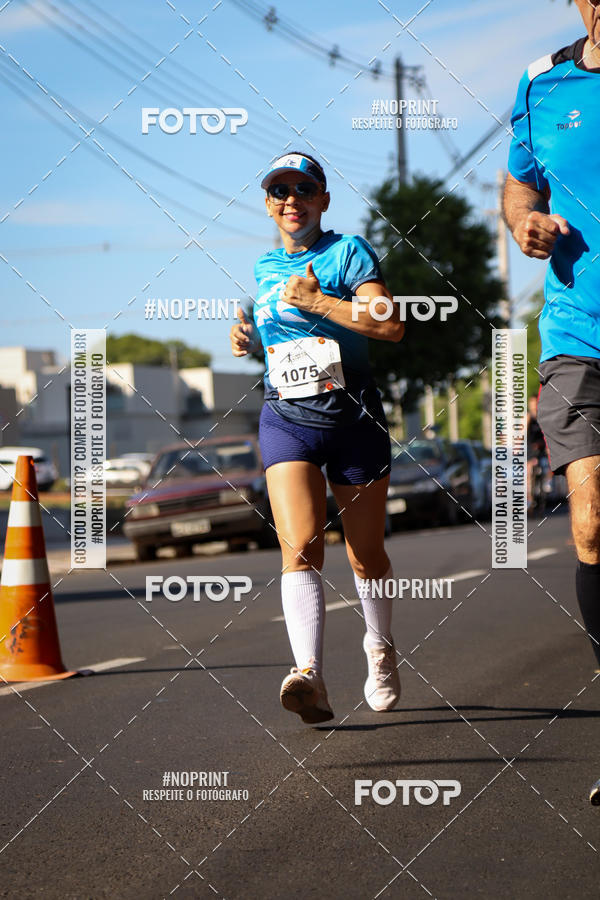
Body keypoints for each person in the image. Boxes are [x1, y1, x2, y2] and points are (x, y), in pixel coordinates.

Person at [230, 151, 404, 723]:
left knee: (366, 554)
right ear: (268, 204)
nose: (291, 200)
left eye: (303, 189)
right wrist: (246, 335)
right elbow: (275, 335)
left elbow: (389, 323)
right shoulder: (262, 267)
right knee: (300, 544)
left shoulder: (348, 252)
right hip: (286, 417)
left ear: (323, 200)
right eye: (279, 191)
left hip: (354, 419)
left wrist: (321, 301)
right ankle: (309, 674)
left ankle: (378, 649)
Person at [503, 0, 600, 668]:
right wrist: (523, 224)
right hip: (575, 334)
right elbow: (518, 189)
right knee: (592, 518)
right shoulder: (541, 83)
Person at [526, 394, 547, 511]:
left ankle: (543, 493)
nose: (533, 406)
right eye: (532, 403)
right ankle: (529, 498)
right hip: (530, 450)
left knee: (544, 470)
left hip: (541, 450)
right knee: (529, 473)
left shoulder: (542, 417)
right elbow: (522, 433)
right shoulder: (528, 417)